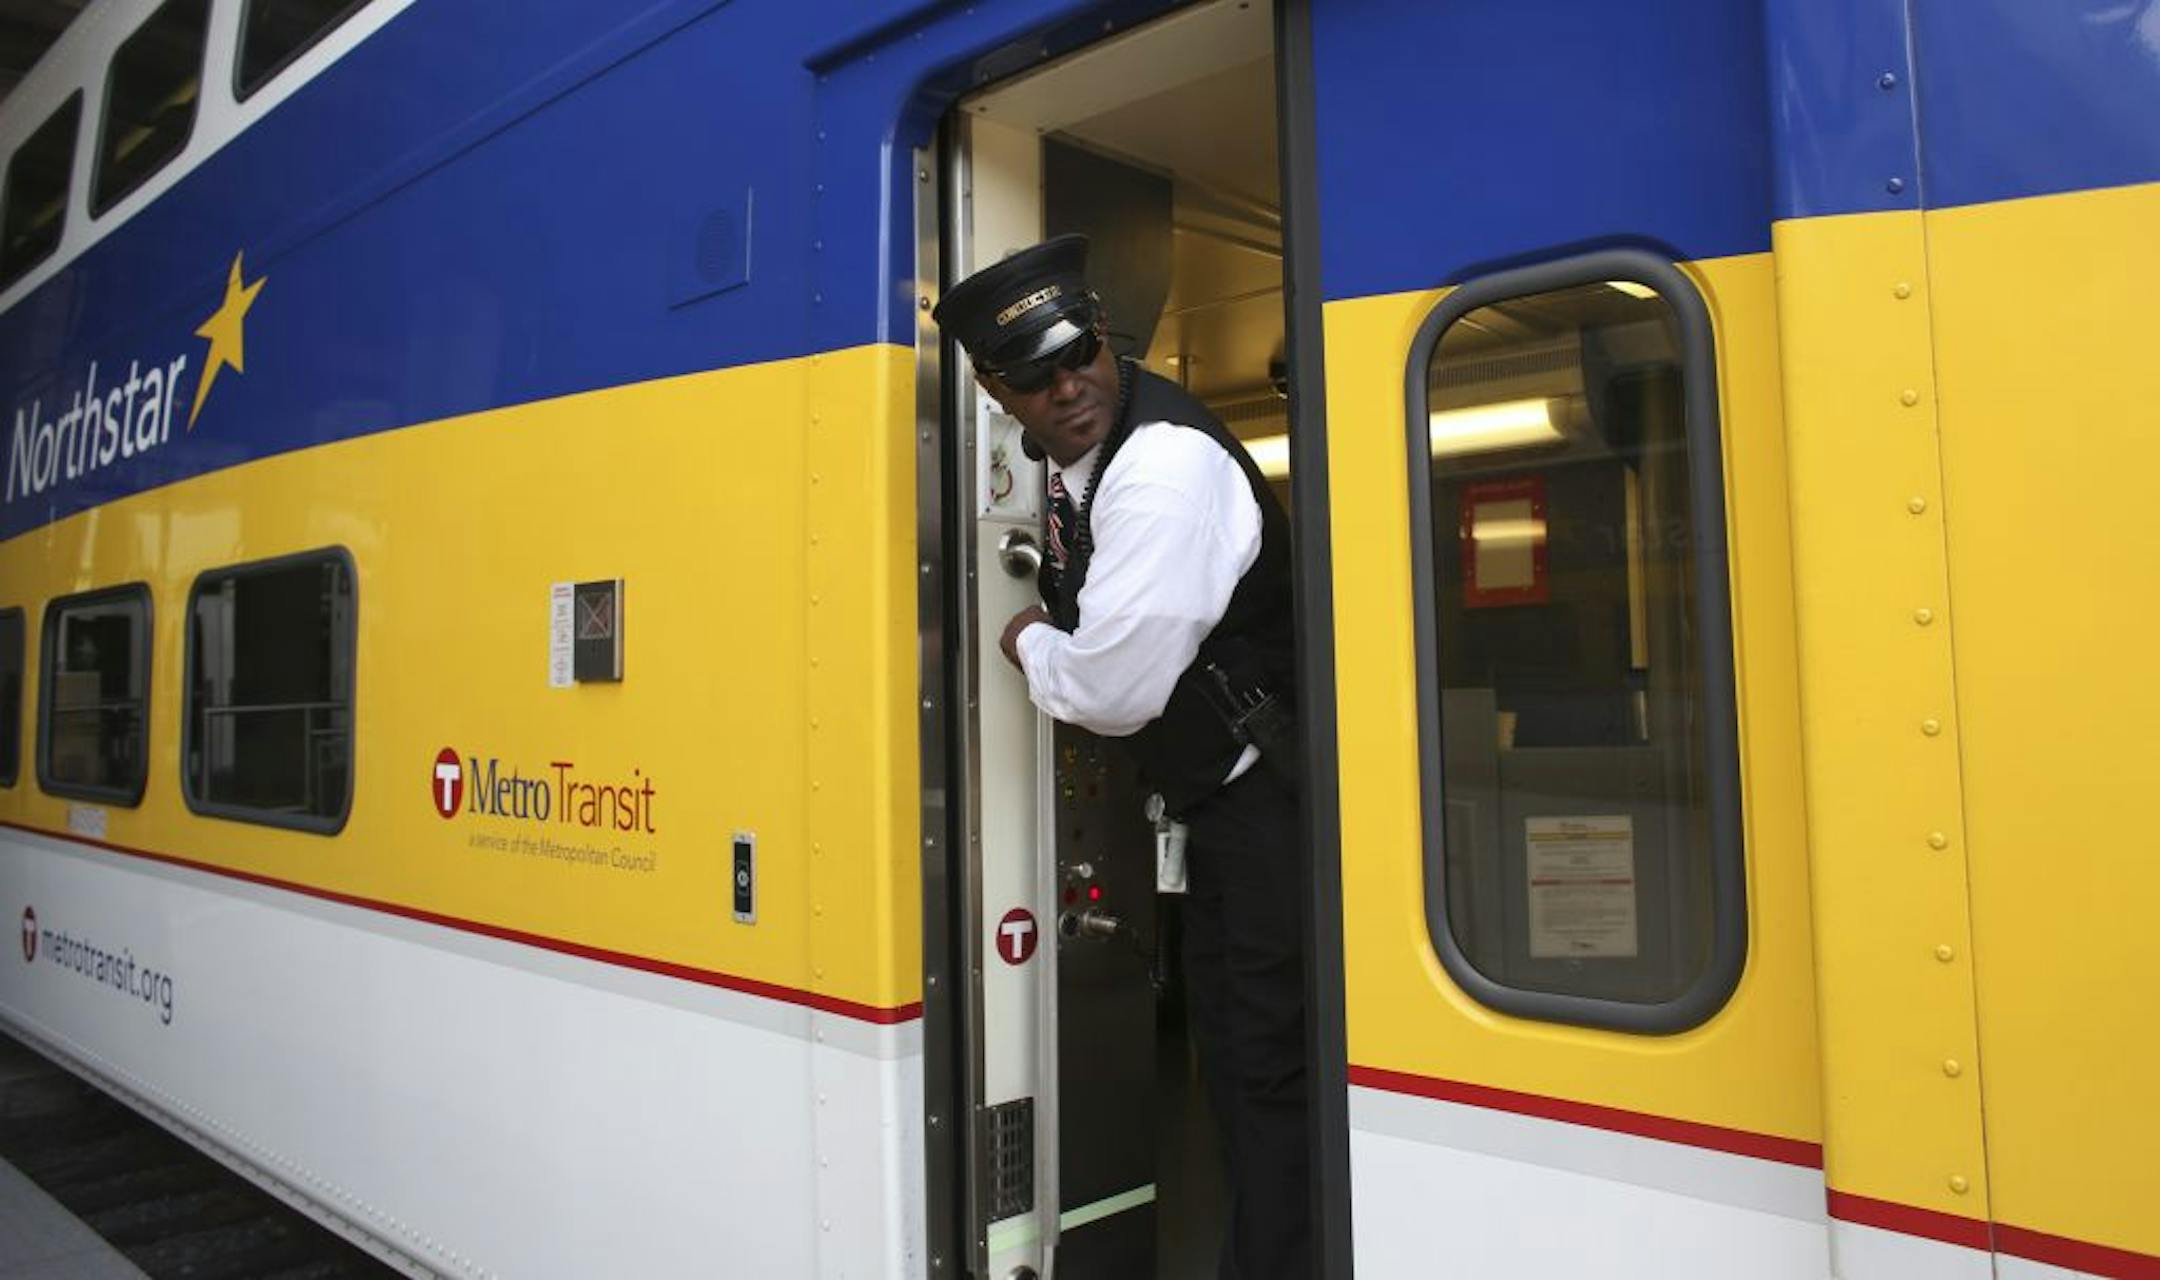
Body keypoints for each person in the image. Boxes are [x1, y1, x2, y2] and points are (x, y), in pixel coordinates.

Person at [933, 234, 1310, 1280]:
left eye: (1078, 354)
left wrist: (1024, 640)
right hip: (1222, 805)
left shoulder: (1160, 469)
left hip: (1267, 810)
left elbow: (1113, 688)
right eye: (1033, 377)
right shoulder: (1080, 469)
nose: (1068, 387)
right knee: (1236, 1059)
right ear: (993, 391)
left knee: (1266, 1073)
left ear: (1106, 336)